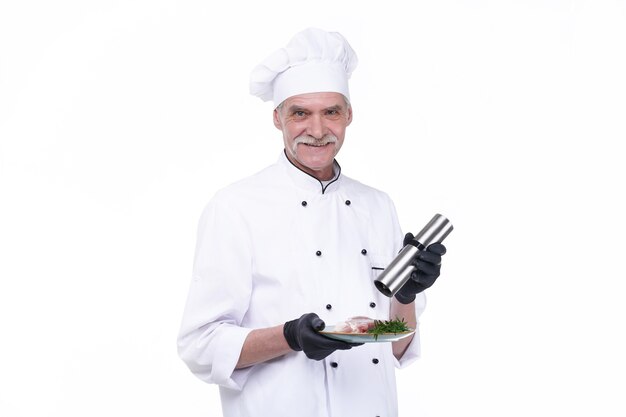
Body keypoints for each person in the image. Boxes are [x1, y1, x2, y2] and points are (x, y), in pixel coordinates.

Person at [177, 28, 447, 417]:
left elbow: (395, 344)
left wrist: (405, 298)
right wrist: (290, 337)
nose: (318, 131)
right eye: (300, 113)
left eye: (331, 112)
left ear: (349, 115)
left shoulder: (377, 205)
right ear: (277, 118)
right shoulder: (236, 207)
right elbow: (200, 346)